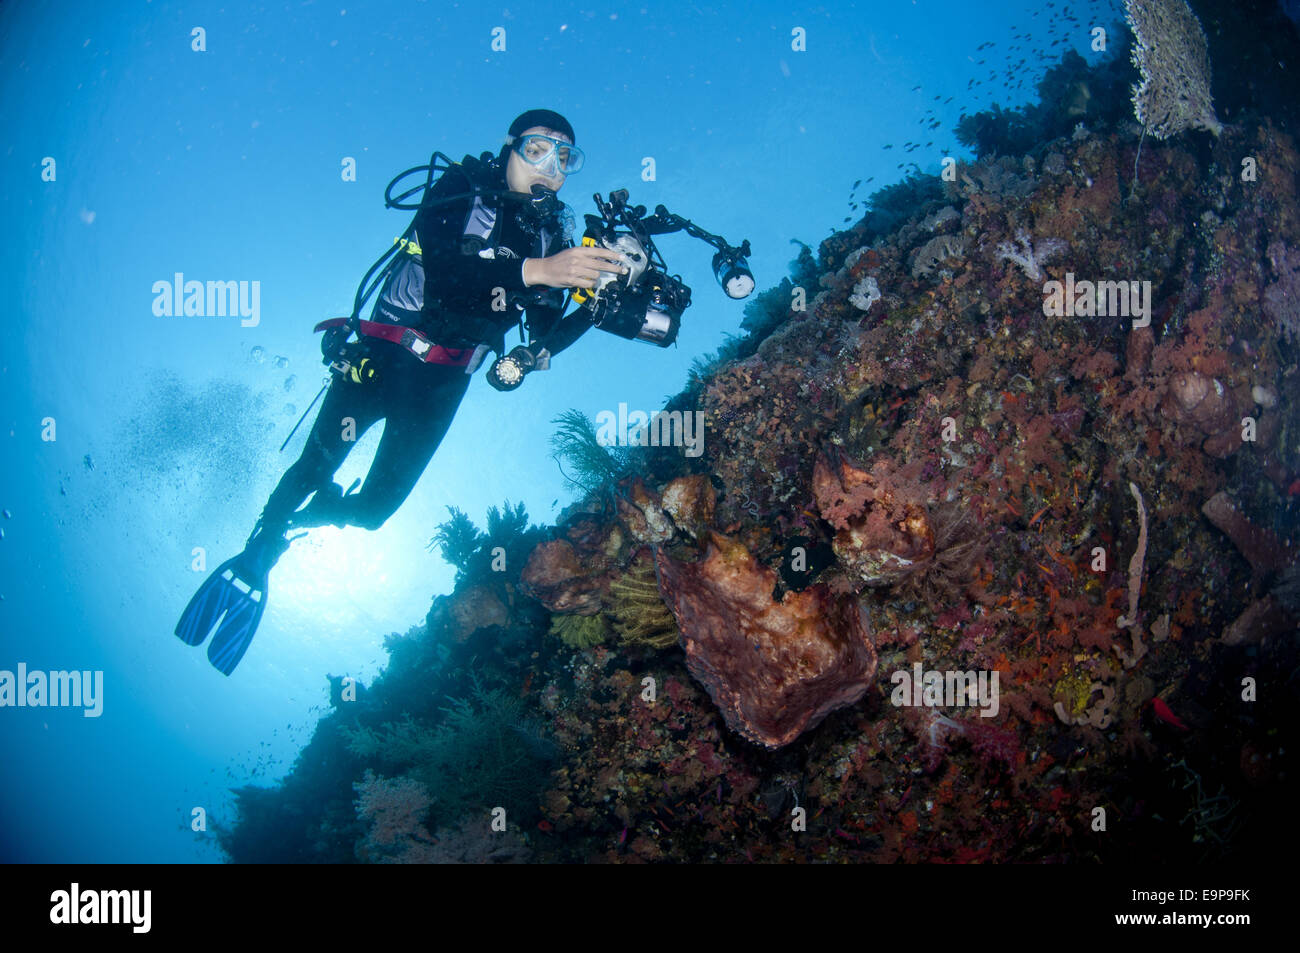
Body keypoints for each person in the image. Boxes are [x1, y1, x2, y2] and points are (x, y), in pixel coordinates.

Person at [176, 109, 629, 674]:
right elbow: (444, 272)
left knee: (371, 514)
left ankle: (293, 528)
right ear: (509, 148)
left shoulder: (551, 234)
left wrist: (594, 306)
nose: (552, 168)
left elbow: (538, 337)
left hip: (444, 384)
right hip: (380, 357)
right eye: (539, 149)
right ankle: (257, 553)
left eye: (566, 158)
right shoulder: (461, 187)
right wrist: (540, 271)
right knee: (312, 470)